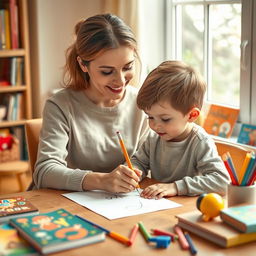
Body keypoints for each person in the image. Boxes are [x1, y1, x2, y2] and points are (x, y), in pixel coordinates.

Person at [33, 14, 149, 193]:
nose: (120, 81)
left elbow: (150, 162)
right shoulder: (60, 105)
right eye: (107, 71)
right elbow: (44, 172)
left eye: (127, 67)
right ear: (83, 64)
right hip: (67, 207)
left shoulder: (142, 104)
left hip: (121, 207)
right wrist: (102, 180)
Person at [130, 60, 230, 199]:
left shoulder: (200, 142)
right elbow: (139, 162)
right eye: (150, 117)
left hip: (187, 210)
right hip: (158, 206)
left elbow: (222, 182)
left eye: (165, 119)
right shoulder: (155, 137)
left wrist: (175, 187)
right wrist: (132, 172)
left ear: (191, 115)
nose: (155, 125)